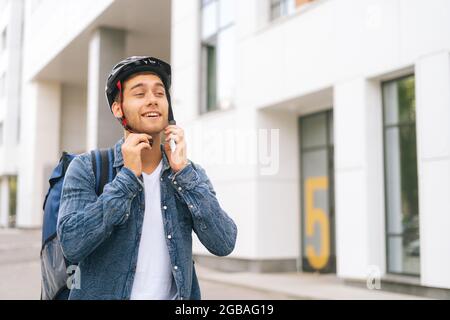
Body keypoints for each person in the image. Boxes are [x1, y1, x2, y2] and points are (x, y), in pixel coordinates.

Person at [57, 56, 237, 300]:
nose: (153, 99)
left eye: (159, 93)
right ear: (118, 108)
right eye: (139, 94)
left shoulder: (188, 174)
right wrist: (128, 178)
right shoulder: (87, 167)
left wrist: (183, 173)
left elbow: (224, 242)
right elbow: (71, 244)